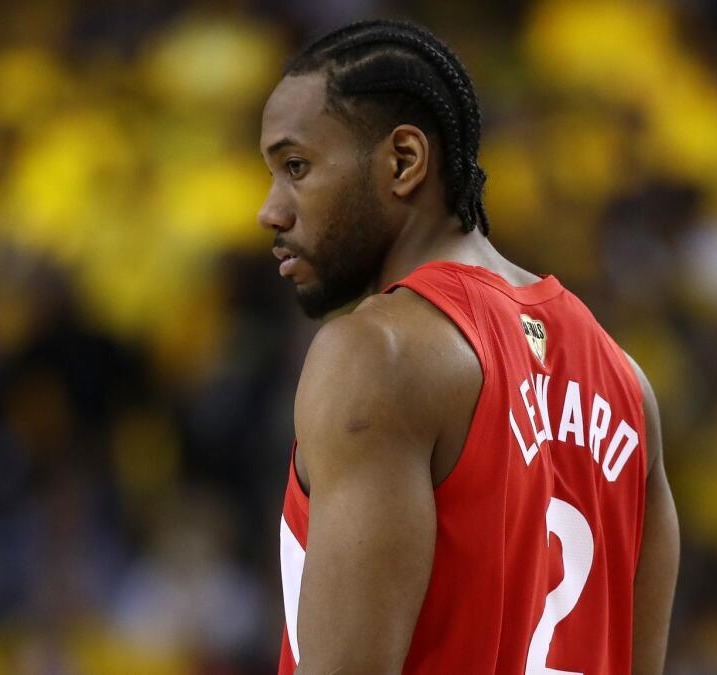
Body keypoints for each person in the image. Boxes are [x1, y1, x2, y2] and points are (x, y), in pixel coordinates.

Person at [259, 19, 679, 674]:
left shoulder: (377, 354)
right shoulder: (628, 385)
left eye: (296, 167)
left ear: (403, 160)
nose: (271, 210)